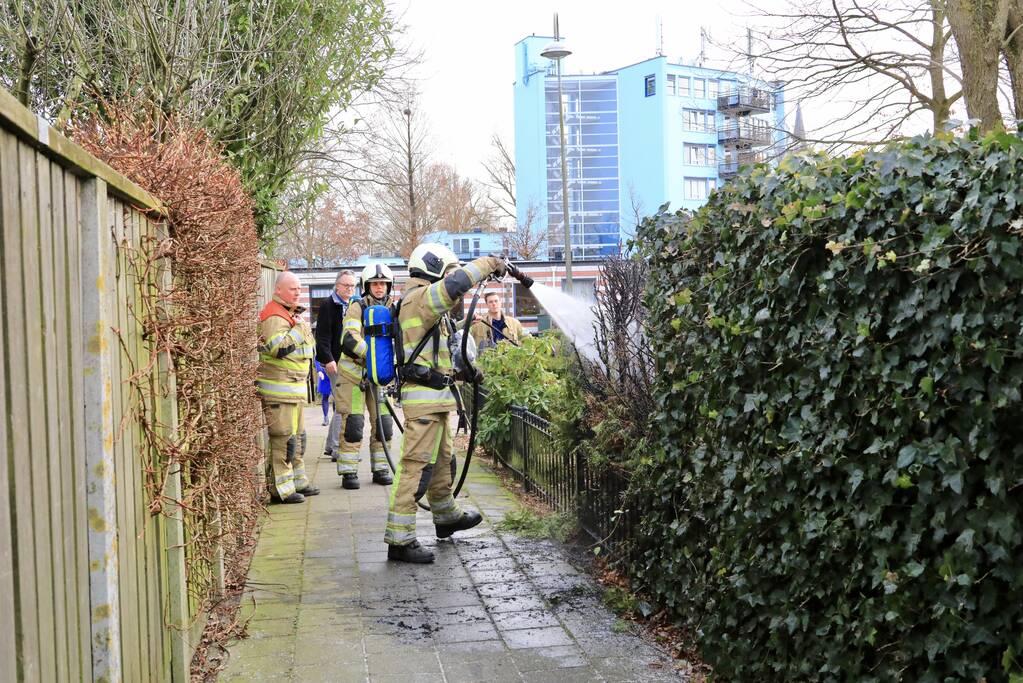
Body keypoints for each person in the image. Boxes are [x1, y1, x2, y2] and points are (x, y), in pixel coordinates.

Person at [385, 244, 507, 563]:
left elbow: (438, 355)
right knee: (416, 468)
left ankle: (446, 516)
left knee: (442, 463)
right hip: (423, 402)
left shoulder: (427, 305)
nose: (450, 276)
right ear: (433, 267)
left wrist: (467, 372)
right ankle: (400, 539)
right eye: (447, 269)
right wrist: (490, 263)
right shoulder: (419, 298)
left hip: (437, 400)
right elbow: (456, 285)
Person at [257, 271, 320, 503]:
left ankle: (298, 482)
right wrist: (299, 331)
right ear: (278, 290)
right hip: (279, 392)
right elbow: (278, 348)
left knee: (298, 439)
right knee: (284, 440)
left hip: (293, 392)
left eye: (299, 288)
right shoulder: (274, 315)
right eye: (293, 288)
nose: (298, 292)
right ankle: (281, 491)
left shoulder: (290, 314)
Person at [334, 263, 397, 489]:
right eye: (374, 283)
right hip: (356, 379)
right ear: (366, 286)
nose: (379, 287)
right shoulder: (356, 307)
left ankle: (380, 469)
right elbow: (349, 338)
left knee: (384, 424)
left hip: (380, 378)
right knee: (354, 424)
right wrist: (372, 357)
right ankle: (349, 472)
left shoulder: (394, 309)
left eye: (383, 283)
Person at [315, 270, 358, 460]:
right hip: (335, 363)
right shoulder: (327, 305)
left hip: (350, 363)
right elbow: (322, 337)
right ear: (337, 286)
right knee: (344, 404)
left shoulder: (355, 305)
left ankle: (331, 445)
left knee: (343, 404)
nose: (350, 289)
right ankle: (337, 447)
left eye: (353, 286)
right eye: (346, 285)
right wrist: (328, 359)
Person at [314, 360, 332, 426]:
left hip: (335, 371)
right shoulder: (320, 349)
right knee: (325, 396)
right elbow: (316, 359)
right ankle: (326, 418)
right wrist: (319, 370)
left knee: (336, 398)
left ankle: (336, 419)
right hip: (324, 372)